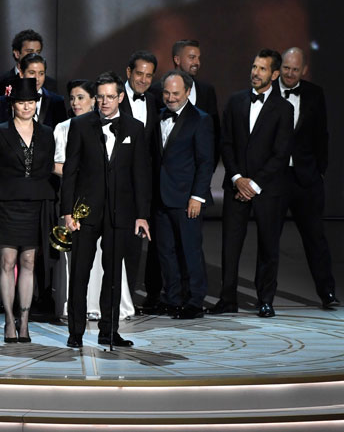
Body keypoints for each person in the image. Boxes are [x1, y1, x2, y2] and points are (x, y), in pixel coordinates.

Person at [61, 72, 151, 348]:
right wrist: (67, 212)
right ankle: (75, 332)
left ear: (120, 97)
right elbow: (70, 172)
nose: (104, 102)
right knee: (80, 272)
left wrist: (141, 214)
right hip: (85, 212)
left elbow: (141, 175)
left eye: (110, 97)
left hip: (120, 212)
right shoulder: (80, 125)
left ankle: (108, 331)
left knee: (113, 273)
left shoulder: (134, 128)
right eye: (100, 97)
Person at [209, 49, 293, 318]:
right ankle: (227, 299)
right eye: (254, 67)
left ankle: (265, 299)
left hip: (267, 190)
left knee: (269, 245)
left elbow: (281, 153)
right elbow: (226, 143)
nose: (255, 73)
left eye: (262, 69)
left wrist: (254, 185)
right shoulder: (235, 102)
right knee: (230, 245)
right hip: (236, 185)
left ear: (275, 74)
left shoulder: (284, 109)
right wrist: (237, 179)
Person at [0, 77, 55, 343]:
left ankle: (25, 322)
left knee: (29, 262)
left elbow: (47, 168)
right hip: (6, 205)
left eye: (31, 102)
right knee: (7, 261)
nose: (27, 107)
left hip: (35, 204)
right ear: (12, 104)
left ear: (37, 103)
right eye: (22, 102)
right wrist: (6, 188)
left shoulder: (46, 133)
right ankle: (9, 320)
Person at [52, 79, 135, 322]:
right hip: (82, 207)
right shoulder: (70, 127)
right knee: (80, 267)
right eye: (72, 98)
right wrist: (69, 206)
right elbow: (65, 168)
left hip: (113, 209)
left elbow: (136, 171)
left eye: (81, 97)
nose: (75, 103)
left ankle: (109, 322)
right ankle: (76, 322)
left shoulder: (127, 126)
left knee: (109, 266)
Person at [276, 47, 338, 309]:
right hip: (275, 178)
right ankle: (264, 296)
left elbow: (321, 135)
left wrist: (319, 171)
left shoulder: (314, 94)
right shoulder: (266, 92)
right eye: (286, 68)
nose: (290, 74)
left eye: (295, 69)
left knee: (315, 238)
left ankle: (328, 293)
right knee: (269, 240)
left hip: (306, 179)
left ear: (304, 70)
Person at [153, 71, 215, 319]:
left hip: (187, 198)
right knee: (165, 251)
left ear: (188, 92)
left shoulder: (201, 120)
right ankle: (172, 297)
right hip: (161, 197)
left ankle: (195, 300)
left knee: (190, 250)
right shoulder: (158, 116)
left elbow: (205, 162)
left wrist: (197, 197)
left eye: (175, 93)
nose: (170, 98)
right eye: (166, 93)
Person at [119, 51, 160, 307]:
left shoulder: (154, 101)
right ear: (128, 72)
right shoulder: (113, 96)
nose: (143, 80)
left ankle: (128, 300)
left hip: (143, 186)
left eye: (149, 75)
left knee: (136, 246)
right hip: (116, 184)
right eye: (139, 74)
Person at [0, 29, 57, 135]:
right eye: (30, 52)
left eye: (38, 52)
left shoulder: (50, 84)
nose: (34, 56)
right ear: (17, 53)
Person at [0, 53, 67, 127]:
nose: (37, 78)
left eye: (41, 73)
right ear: (21, 73)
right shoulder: (5, 100)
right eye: (32, 73)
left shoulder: (57, 101)